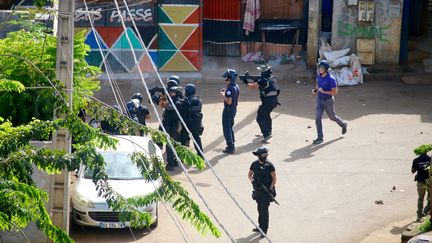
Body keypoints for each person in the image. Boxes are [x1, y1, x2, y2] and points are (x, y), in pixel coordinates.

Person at [312, 60, 348, 145]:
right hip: (319, 99)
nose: (319, 69)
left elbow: (335, 92)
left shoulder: (331, 79)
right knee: (317, 117)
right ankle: (320, 138)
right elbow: (318, 84)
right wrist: (315, 90)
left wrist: (324, 91)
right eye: (319, 67)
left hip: (328, 100)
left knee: (332, 117)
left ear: (326, 69)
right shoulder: (319, 76)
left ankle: (343, 124)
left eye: (321, 68)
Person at [246, 64, 280, 142]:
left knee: (260, 117)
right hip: (274, 101)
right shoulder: (272, 78)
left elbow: (252, 87)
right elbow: (263, 86)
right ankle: (269, 131)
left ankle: (266, 134)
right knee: (266, 114)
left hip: (268, 101)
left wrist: (246, 82)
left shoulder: (263, 80)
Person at [248, 147, 277, 238]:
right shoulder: (254, 164)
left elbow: (274, 178)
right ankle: (260, 226)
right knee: (259, 209)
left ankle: (264, 230)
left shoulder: (270, 165)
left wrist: (270, 189)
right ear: (258, 156)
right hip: (257, 191)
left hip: (266, 192)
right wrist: (253, 181)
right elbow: (249, 175)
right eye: (262, 155)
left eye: (265, 155)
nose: (264, 156)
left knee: (264, 210)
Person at [160, 86, 184, 171]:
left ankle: (171, 164)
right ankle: (174, 162)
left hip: (174, 126)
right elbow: (163, 106)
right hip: (169, 125)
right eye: (170, 92)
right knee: (172, 144)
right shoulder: (172, 100)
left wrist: (166, 100)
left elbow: (170, 107)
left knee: (170, 145)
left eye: (172, 93)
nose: (170, 94)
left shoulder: (178, 102)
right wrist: (163, 98)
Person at [179, 84, 204, 158]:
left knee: (182, 139)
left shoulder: (186, 101)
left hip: (188, 124)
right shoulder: (198, 99)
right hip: (197, 123)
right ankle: (201, 156)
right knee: (197, 139)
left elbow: (182, 111)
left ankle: (181, 156)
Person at [221, 69, 240, 154]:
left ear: (230, 78)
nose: (226, 79)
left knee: (226, 128)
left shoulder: (229, 89)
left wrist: (223, 94)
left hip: (228, 110)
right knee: (230, 126)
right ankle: (232, 142)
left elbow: (229, 101)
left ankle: (230, 147)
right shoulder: (236, 86)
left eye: (227, 78)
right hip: (234, 109)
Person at [412, 152, 431, 221]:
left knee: (420, 198)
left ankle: (419, 215)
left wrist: (420, 167)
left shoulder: (416, 160)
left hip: (420, 181)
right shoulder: (430, 159)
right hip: (429, 182)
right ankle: (427, 211)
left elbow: (413, 171)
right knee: (430, 197)